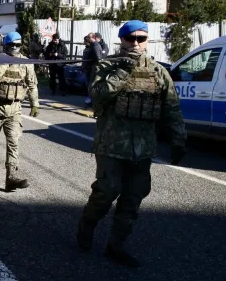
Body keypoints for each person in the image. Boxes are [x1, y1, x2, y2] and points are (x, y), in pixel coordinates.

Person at [77, 20, 186, 268]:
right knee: (106, 192)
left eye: (141, 38)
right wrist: (122, 71)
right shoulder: (106, 66)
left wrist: (179, 139)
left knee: (132, 198)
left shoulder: (159, 72)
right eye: (130, 38)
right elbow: (98, 95)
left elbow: (172, 108)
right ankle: (87, 225)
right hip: (112, 145)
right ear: (122, 40)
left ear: (147, 41)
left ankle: (117, 245)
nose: (136, 43)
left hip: (143, 149)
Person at [0, 32, 39, 191]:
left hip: (14, 109)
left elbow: (32, 84)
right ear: (5, 46)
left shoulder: (26, 63)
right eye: (11, 45)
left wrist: (35, 104)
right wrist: (5, 64)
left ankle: (11, 176)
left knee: (13, 143)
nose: (14, 48)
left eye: (17, 45)